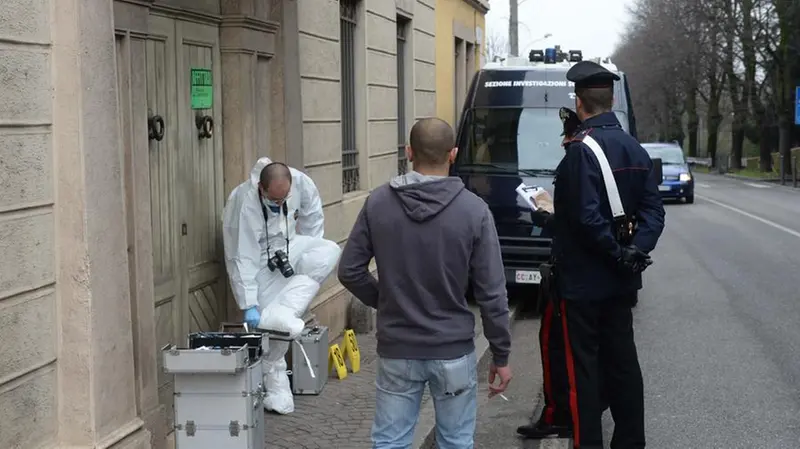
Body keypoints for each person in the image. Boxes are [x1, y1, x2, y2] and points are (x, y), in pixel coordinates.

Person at [338, 117, 513, 449]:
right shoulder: (474, 210)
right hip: (452, 348)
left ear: (408, 152)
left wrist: (386, 299)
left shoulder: (378, 203)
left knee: (390, 442)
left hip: (397, 347)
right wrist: (500, 355)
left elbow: (349, 271)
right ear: (453, 154)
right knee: (456, 442)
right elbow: (492, 292)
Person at [529, 61, 665, 449]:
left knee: (583, 371)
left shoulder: (579, 151)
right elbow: (654, 212)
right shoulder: (634, 147)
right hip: (621, 282)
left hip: (583, 285)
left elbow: (585, 220)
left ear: (579, 102)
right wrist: (635, 250)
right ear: (612, 99)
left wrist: (546, 217)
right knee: (624, 365)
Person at [222, 158, 341, 415]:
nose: (279, 205)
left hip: (289, 246)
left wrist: (305, 256)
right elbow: (241, 257)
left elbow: (313, 217)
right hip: (260, 263)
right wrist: (249, 303)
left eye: (283, 200)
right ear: (261, 189)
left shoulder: (301, 183)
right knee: (271, 331)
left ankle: (285, 311)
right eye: (274, 201)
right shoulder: (243, 204)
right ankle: (276, 391)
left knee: (328, 251)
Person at [516, 107, 582, 441]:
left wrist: (546, 217)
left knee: (556, 346)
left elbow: (575, 224)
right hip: (598, 278)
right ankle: (572, 414)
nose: (563, 144)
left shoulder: (578, 161)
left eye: (566, 137)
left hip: (571, 276)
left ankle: (562, 415)